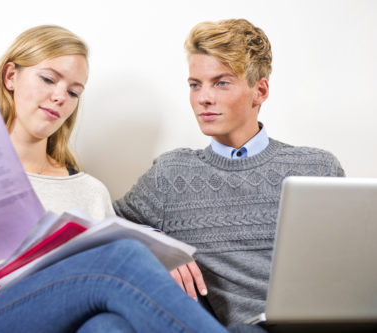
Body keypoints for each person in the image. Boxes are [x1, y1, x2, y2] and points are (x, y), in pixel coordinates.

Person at [0, 25, 246, 333]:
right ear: (11, 77)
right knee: (121, 256)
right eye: (49, 79)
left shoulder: (88, 192)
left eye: (73, 92)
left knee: (107, 327)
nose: (59, 98)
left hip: (58, 323)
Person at [114, 18, 345, 326]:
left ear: (259, 91)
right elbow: (104, 226)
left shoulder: (317, 169)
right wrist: (155, 245)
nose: (203, 98)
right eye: (195, 84)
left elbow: (350, 264)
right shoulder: (171, 175)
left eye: (221, 83)